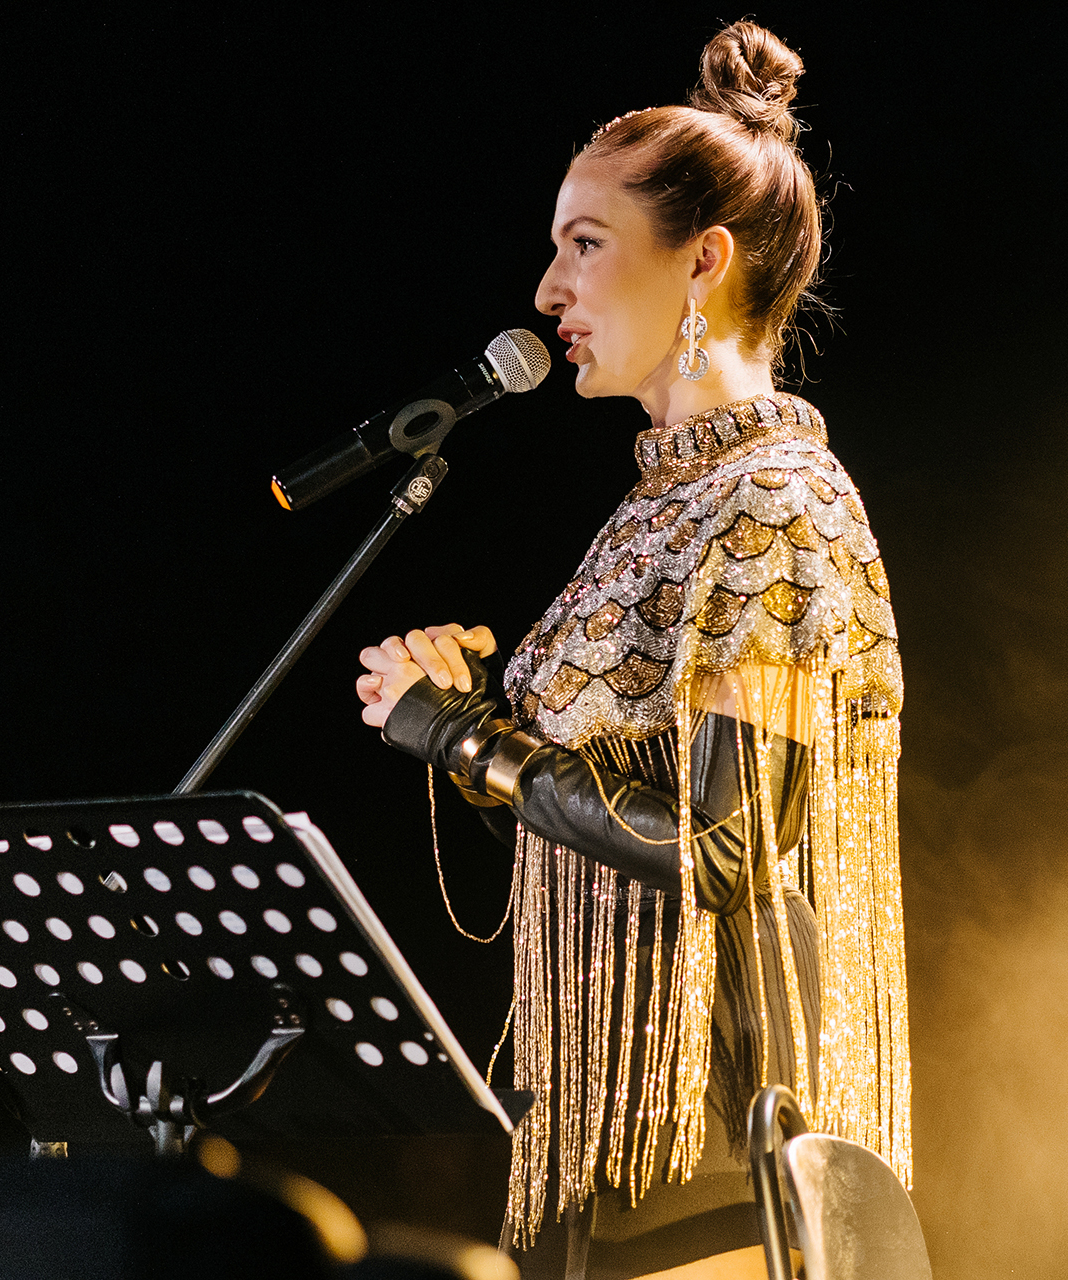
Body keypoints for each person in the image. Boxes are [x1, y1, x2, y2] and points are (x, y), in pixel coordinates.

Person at [352, 22, 909, 1280]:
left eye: (585, 244)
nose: (548, 290)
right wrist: (472, 715)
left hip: (712, 1135)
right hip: (609, 1122)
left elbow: (726, 845)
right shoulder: (662, 503)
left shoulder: (776, 498)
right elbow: (607, 813)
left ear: (703, 260)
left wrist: (468, 739)